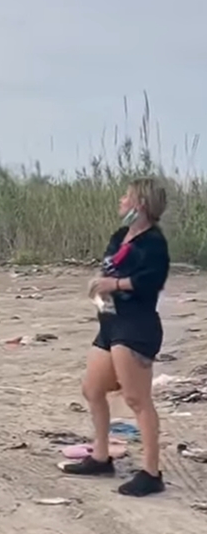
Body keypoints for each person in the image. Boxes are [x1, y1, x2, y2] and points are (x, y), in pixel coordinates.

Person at [60, 177, 170, 497]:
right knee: (92, 389)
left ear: (141, 205)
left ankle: (151, 472)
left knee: (137, 399)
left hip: (136, 326)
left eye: (127, 197)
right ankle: (100, 455)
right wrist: (99, 284)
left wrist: (116, 286)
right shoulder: (121, 236)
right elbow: (108, 268)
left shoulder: (153, 243)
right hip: (110, 323)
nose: (120, 201)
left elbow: (151, 281)